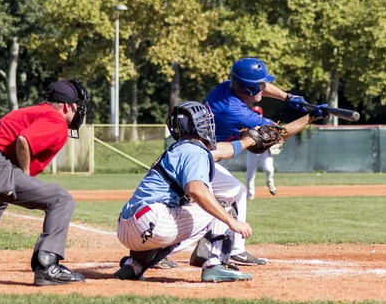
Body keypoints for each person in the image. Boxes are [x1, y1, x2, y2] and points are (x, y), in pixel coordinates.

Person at [0, 79, 90, 286]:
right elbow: (24, 140)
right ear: (68, 106)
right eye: (78, 107)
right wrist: (24, 175)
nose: (78, 113)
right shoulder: (56, 120)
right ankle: (47, 265)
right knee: (62, 199)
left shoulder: (30, 112)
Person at [200, 57, 330, 266]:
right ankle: (236, 250)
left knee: (190, 202)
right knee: (236, 192)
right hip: (202, 160)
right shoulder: (236, 111)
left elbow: (262, 87)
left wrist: (288, 97)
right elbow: (277, 133)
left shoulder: (225, 88)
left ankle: (154, 250)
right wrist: (310, 117)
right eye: (258, 85)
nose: (263, 88)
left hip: (198, 153)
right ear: (247, 88)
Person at [115, 101, 262, 282]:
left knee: (180, 207)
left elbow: (223, 151)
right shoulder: (195, 152)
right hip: (151, 221)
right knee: (221, 205)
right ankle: (214, 265)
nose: (209, 124)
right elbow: (196, 189)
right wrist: (232, 222)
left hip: (125, 226)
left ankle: (134, 265)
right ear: (199, 125)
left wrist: (249, 141)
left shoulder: (178, 150)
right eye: (206, 121)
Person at [245, 105, 279, 200]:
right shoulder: (247, 123)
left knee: (269, 169)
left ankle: (270, 183)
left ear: (262, 114)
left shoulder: (267, 123)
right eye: (254, 113)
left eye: (258, 113)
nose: (256, 115)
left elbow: (277, 132)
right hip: (252, 150)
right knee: (250, 173)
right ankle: (250, 194)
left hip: (265, 150)